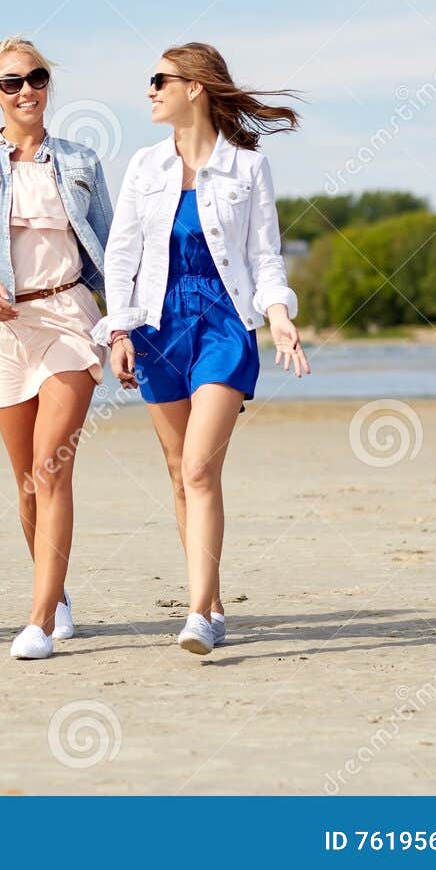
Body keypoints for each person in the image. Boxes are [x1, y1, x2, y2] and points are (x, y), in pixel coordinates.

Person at [95, 42, 311, 656]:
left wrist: (279, 317)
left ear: (195, 87)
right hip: (158, 328)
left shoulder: (247, 167)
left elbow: (265, 256)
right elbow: (122, 256)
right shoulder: (144, 167)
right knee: (176, 473)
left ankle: (198, 615)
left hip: (222, 324)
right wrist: (119, 331)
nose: (150, 91)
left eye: (159, 80)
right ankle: (209, 594)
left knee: (199, 468)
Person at [0, 37, 113, 660]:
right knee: (25, 481)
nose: (26, 91)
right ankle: (58, 590)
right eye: (11, 83)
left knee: (51, 467)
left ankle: (39, 619)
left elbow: (112, 249)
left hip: (69, 315)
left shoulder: (82, 160)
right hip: (5, 326)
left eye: (35, 78)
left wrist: (121, 329)